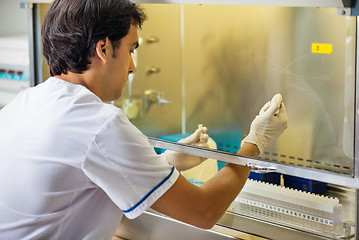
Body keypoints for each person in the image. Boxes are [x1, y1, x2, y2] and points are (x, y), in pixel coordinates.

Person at [0, 0, 288, 239]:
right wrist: (254, 142)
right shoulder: (99, 124)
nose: (133, 66)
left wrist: (166, 163)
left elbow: (78, 177)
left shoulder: (25, 103)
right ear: (103, 49)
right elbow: (204, 211)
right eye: (131, 49)